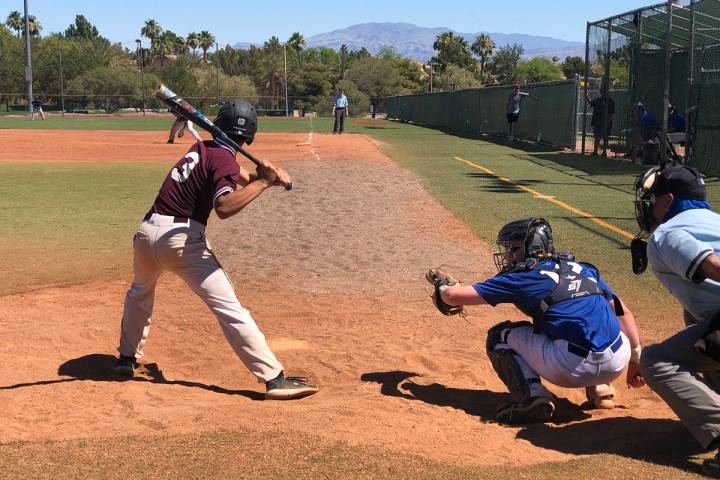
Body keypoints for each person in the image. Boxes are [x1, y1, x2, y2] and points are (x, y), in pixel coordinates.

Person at [115, 99, 318, 400]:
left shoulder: (203, 149)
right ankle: (274, 379)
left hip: (147, 234)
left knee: (139, 293)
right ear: (250, 135)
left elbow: (242, 176)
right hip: (182, 241)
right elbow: (223, 206)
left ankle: (126, 359)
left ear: (218, 125)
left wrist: (268, 180)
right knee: (229, 308)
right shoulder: (223, 158)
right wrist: (263, 183)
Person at [428, 218, 643, 424]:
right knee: (583, 319)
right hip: (618, 361)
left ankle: (533, 397)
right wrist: (635, 360)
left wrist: (442, 285)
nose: (507, 256)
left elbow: (452, 297)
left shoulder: (522, 277)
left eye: (511, 249)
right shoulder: (581, 269)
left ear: (524, 249)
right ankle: (601, 389)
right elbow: (623, 313)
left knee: (499, 336)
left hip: (571, 368)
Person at [632, 164, 720, 477]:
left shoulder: (668, 233)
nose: (650, 206)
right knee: (697, 320)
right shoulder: (715, 221)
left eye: (654, 199)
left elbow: (712, 264)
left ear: (669, 200)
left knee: (655, 361)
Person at [590, 84, 615, 156]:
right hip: (598, 122)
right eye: (601, 91)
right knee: (597, 137)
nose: (601, 93)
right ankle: (595, 151)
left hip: (606, 122)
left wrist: (608, 123)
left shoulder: (611, 101)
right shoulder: (598, 100)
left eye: (603, 91)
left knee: (605, 137)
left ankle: (604, 152)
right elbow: (591, 103)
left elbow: (611, 114)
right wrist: (587, 97)